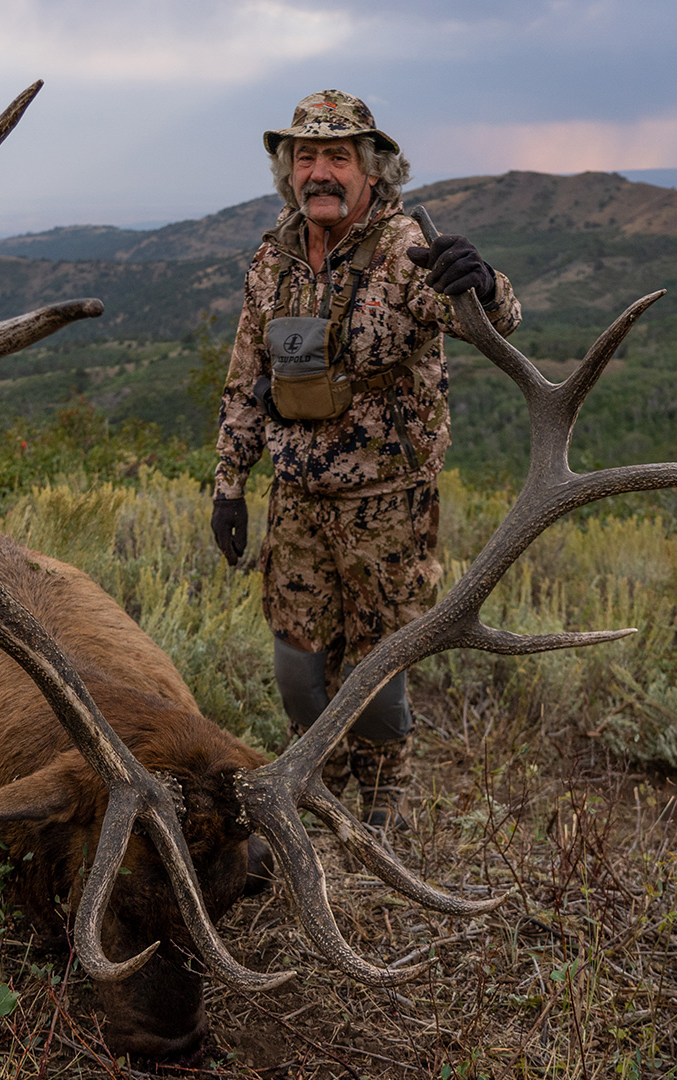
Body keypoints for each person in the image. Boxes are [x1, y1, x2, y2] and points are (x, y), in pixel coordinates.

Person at [210, 90, 522, 828]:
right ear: (290, 171)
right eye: (306, 157)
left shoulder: (405, 254)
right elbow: (243, 379)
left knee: (378, 673)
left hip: (388, 504)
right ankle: (323, 784)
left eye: (338, 157)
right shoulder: (272, 260)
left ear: (374, 171)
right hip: (296, 498)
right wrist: (229, 485)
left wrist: (484, 283)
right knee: (298, 669)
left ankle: (382, 809)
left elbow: (497, 321)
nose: (320, 172)